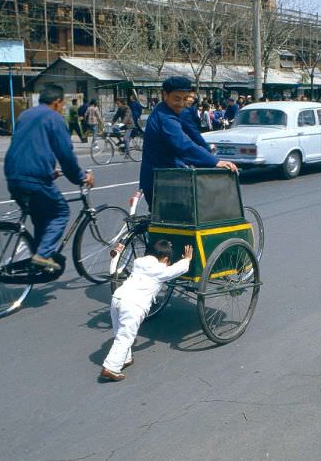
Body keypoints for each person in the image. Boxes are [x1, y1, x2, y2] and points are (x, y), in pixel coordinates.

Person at [4, 84, 94, 271]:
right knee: (60, 212)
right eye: (62, 105)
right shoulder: (53, 117)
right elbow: (65, 154)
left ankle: (38, 261)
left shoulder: (25, 115)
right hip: (35, 178)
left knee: (41, 218)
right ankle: (43, 255)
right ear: (58, 102)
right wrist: (80, 177)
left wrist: (48, 168)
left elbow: (29, 146)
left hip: (13, 175)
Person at [139, 76, 237, 209]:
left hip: (161, 178)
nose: (180, 103)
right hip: (163, 182)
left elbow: (191, 136)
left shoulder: (163, 110)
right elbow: (184, 145)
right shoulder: (166, 119)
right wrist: (215, 161)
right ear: (165, 95)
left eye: (184, 99)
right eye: (176, 98)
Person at [100, 241, 193, 381]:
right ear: (166, 259)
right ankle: (111, 368)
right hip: (133, 305)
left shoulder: (138, 263)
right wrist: (187, 260)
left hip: (117, 298)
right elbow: (176, 270)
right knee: (125, 337)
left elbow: (115, 269)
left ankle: (125, 358)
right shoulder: (160, 271)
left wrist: (117, 254)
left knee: (120, 332)